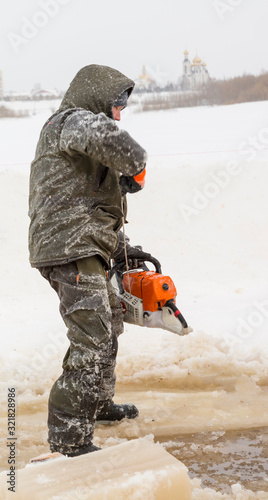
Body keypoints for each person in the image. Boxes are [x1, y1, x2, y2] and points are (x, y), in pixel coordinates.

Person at [28, 64, 153, 457]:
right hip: (69, 249)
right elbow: (120, 145)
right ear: (98, 99)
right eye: (116, 107)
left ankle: (97, 404)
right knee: (92, 337)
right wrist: (136, 166)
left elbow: (92, 208)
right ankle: (68, 438)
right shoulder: (70, 121)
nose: (119, 115)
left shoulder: (83, 148)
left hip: (83, 244)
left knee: (110, 321)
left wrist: (123, 248)